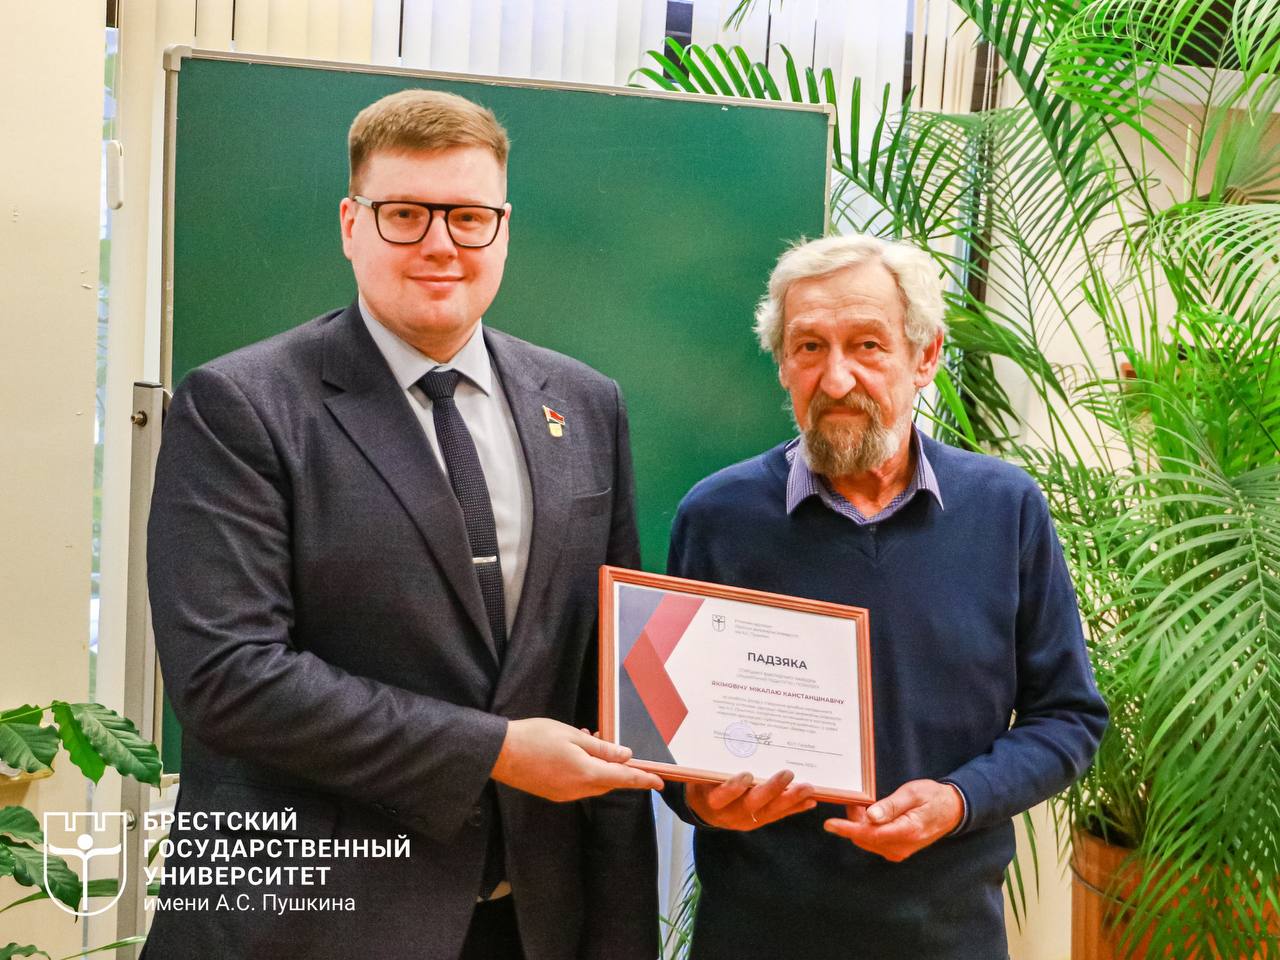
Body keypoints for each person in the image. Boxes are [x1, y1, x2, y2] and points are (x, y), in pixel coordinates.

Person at [144, 89, 661, 960]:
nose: (441, 244)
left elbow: (600, 681)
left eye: (468, 217)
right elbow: (228, 677)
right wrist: (495, 751)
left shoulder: (583, 405)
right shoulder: (240, 406)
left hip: (533, 924)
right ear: (352, 224)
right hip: (313, 927)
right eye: (405, 214)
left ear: (503, 229)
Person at [662, 234, 1108, 959]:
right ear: (783, 365)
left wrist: (958, 800)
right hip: (757, 936)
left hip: (947, 936)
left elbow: (1068, 717)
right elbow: (666, 733)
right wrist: (699, 799)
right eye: (809, 347)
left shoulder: (1006, 510)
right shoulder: (717, 518)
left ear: (924, 357)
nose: (836, 378)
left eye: (867, 345)